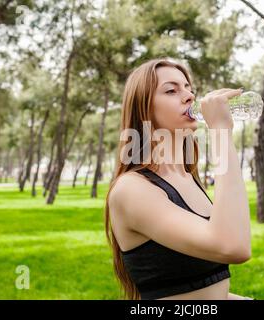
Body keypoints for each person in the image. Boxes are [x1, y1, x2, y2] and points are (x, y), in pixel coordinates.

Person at [105, 57, 252, 300]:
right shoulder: (132, 190)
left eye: (189, 89)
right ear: (144, 108)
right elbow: (233, 247)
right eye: (171, 90)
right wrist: (221, 133)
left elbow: (202, 287)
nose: (189, 97)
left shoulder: (187, 178)